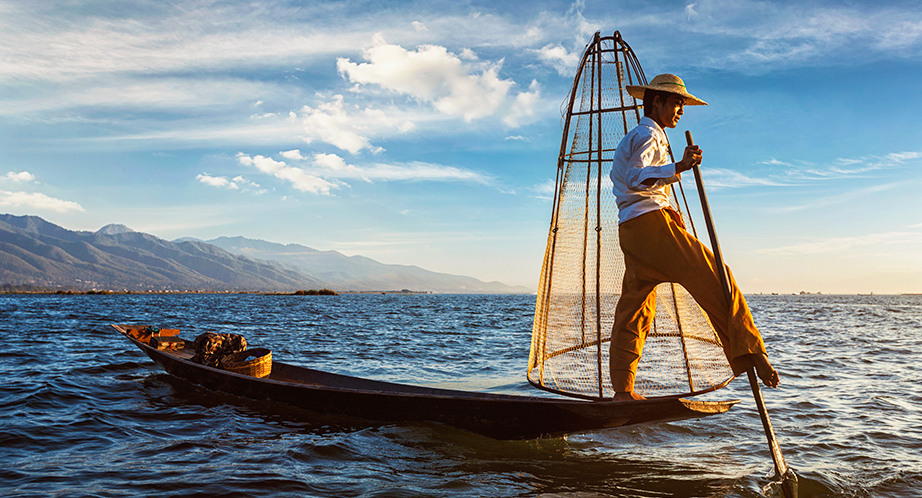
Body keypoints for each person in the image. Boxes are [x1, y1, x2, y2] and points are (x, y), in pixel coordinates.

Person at [608, 73, 779, 401]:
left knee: (635, 309)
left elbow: (637, 183)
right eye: (676, 103)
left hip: (632, 231)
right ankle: (750, 351)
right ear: (656, 102)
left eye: (683, 104)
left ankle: (623, 390)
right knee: (718, 276)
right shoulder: (648, 135)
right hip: (650, 228)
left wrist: (669, 198)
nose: (681, 110)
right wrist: (680, 166)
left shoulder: (642, 136)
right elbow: (634, 177)